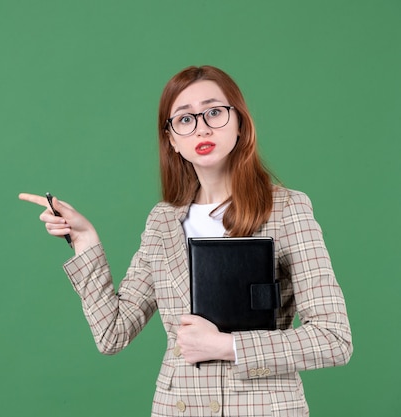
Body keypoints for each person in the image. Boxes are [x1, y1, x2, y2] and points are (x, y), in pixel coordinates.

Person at [18, 65, 352, 417]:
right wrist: (86, 240)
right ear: (172, 140)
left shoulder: (286, 209)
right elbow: (112, 334)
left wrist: (226, 345)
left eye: (214, 112)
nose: (202, 127)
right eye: (184, 119)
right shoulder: (162, 221)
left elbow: (334, 339)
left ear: (240, 123)